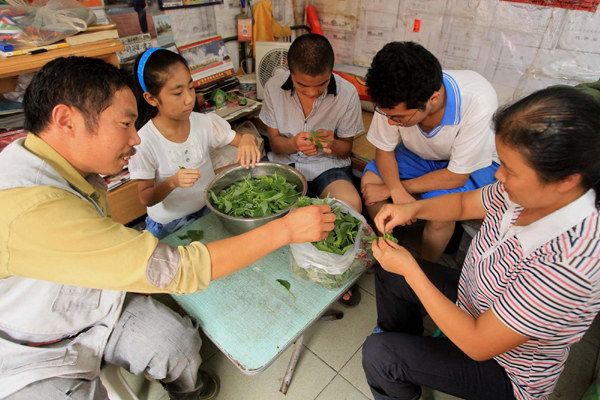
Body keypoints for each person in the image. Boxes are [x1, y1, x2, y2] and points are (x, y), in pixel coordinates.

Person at [0, 56, 336, 400]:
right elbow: (178, 267)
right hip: (35, 346)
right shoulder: (32, 209)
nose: (134, 138)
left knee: (178, 344)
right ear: (65, 120)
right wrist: (285, 231)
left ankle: (187, 391)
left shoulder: (49, 162)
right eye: (125, 124)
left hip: (97, 304)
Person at [362, 87, 600, 400]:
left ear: (566, 180)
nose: (498, 175)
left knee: (379, 355)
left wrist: (411, 269)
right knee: (389, 272)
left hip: (507, 368)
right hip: (473, 299)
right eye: (500, 163)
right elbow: (463, 205)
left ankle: (399, 362)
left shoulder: (571, 265)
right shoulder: (522, 193)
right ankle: (410, 346)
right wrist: (412, 207)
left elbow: (478, 344)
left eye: (511, 170)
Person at [361, 41, 499, 262]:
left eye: (398, 118)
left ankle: (426, 267)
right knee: (370, 182)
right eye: (385, 114)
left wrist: (394, 189)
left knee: (441, 213)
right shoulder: (391, 96)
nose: (390, 122)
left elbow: (456, 176)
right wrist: (395, 191)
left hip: (472, 165)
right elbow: (384, 151)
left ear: (432, 99)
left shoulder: (478, 99)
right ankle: (389, 247)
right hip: (423, 155)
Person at [259, 33, 365, 307]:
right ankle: (292, 266)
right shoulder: (272, 87)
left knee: (350, 206)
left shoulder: (347, 93)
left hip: (327, 166)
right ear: (289, 70)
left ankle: (332, 270)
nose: (312, 92)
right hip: (288, 165)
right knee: (273, 213)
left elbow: (346, 150)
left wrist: (331, 144)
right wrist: (293, 142)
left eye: (320, 85)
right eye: (302, 85)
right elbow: (275, 144)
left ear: (331, 71)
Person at [129, 48, 261, 239]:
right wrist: (172, 182)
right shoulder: (144, 141)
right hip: (170, 225)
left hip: (207, 209)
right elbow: (146, 197)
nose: (189, 99)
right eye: (177, 93)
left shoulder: (203, 123)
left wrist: (248, 139)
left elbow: (241, 140)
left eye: (190, 88)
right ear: (151, 98)